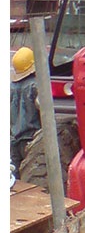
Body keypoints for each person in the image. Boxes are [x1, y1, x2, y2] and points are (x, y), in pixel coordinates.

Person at [10, 47, 41, 176]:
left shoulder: (11, 87)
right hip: (32, 140)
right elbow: (42, 108)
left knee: (16, 183)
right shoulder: (35, 86)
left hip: (13, 140)